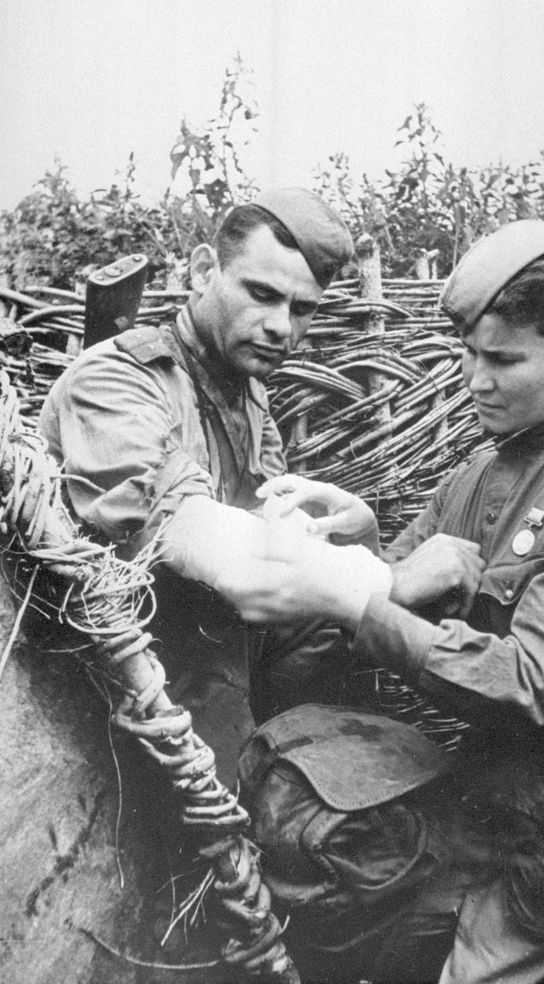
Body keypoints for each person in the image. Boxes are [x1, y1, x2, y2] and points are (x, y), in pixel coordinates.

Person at [233, 220, 544, 982]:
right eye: (470, 354)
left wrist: (360, 600)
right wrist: (365, 554)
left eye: (505, 359)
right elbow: (384, 592)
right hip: (476, 810)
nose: (476, 380)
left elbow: (527, 682)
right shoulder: (474, 474)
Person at [37, 188, 388, 780]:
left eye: (303, 309)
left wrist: (362, 532)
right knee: (237, 815)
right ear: (204, 271)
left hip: (212, 639)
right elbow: (219, 550)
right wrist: (382, 581)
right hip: (113, 659)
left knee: (337, 678)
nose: (281, 327)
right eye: (262, 294)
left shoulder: (246, 390)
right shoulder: (113, 379)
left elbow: (269, 519)